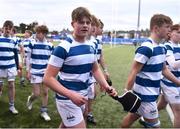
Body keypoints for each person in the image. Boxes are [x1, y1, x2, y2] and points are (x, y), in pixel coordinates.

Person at [43, 7, 117, 128]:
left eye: (88, 22)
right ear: (73, 24)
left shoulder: (90, 46)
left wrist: (106, 86)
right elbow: (48, 78)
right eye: (81, 22)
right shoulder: (63, 48)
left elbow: (95, 69)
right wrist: (71, 95)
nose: (85, 25)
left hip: (82, 96)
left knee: (65, 126)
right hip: (67, 100)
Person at [120, 14, 180, 128]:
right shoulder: (146, 48)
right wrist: (127, 92)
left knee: (131, 118)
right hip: (144, 96)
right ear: (156, 28)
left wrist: (178, 82)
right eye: (167, 27)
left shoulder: (162, 48)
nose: (170, 30)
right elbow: (133, 71)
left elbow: (164, 69)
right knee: (155, 126)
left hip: (153, 94)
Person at [86, 16, 110, 125]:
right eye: (101, 27)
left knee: (92, 94)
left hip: (92, 74)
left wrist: (104, 72)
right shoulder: (86, 41)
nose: (101, 30)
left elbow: (99, 58)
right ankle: (86, 114)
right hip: (85, 75)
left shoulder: (97, 42)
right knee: (90, 95)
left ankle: (87, 113)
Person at [26, 25, 54, 121]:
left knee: (45, 92)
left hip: (46, 73)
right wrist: (28, 71)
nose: (36, 34)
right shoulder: (32, 43)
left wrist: (51, 72)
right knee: (37, 94)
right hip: (34, 71)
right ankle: (30, 99)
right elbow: (28, 58)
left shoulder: (50, 45)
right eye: (36, 32)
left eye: (38, 32)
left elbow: (51, 60)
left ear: (44, 34)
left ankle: (44, 111)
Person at [156, 24, 180, 127]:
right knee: (178, 112)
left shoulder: (179, 46)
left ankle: (145, 116)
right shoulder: (167, 46)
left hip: (177, 81)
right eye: (178, 32)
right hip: (169, 82)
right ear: (170, 34)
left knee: (162, 104)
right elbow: (174, 65)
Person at [0, 20, 19, 114]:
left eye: (9, 29)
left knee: (11, 85)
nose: (7, 30)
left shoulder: (14, 40)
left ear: (12, 30)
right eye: (6, 28)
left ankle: (12, 106)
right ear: (3, 28)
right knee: (0, 84)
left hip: (11, 66)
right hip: (0, 66)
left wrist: (18, 67)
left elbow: (15, 54)